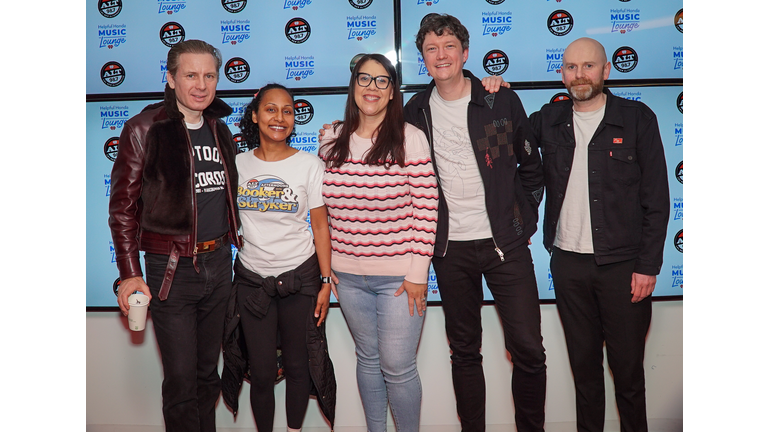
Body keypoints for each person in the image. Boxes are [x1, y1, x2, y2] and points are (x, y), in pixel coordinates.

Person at [402, 14, 547, 432]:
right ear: (423, 59)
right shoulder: (414, 112)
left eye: (449, 46)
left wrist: (521, 222)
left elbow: (531, 168)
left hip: (506, 246)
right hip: (450, 250)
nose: (441, 55)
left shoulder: (499, 100)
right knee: (464, 352)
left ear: (465, 53)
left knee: (529, 350)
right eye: (431, 48)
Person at [529, 37, 670, 432]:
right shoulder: (548, 120)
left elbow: (657, 199)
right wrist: (490, 87)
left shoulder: (637, 118)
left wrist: (648, 266)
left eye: (589, 66)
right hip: (568, 266)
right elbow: (504, 128)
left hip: (624, 268)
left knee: (628, 375)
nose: (580, 75)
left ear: (606, 70)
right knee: (585, 374)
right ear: (562, 74)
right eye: (572, 67)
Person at [108, 39, 241, 432]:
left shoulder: (220, 128)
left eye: (209, 76)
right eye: (190, 75)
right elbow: (122, 208)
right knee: (181, 382)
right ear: (170, 78)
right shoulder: (143, 128)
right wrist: (130, 273)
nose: (201, 85)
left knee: (207, 377)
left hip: (220, 264)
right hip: (171, 271)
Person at [319, 53, 438, 432]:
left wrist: (418, 273)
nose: (372, 87)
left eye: (381, 80)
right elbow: (321, 209)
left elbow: (427, 209)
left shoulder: (410, 138)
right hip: (348, 277)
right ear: (353, 85)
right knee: (368, 360)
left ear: (391, 92)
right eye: (364, 79)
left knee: (398, 367)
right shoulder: (330, 138)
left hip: (400, 280)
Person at [224, 83, 336, 432]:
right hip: (252, 281)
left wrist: (326, 281)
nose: (280, 117)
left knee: (299, 367)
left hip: (300, 280)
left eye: (288, 111)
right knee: (260, 372)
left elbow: (321, 227)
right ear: (255, 116)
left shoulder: (309, 165)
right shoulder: (237, 164)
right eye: (271, 109)